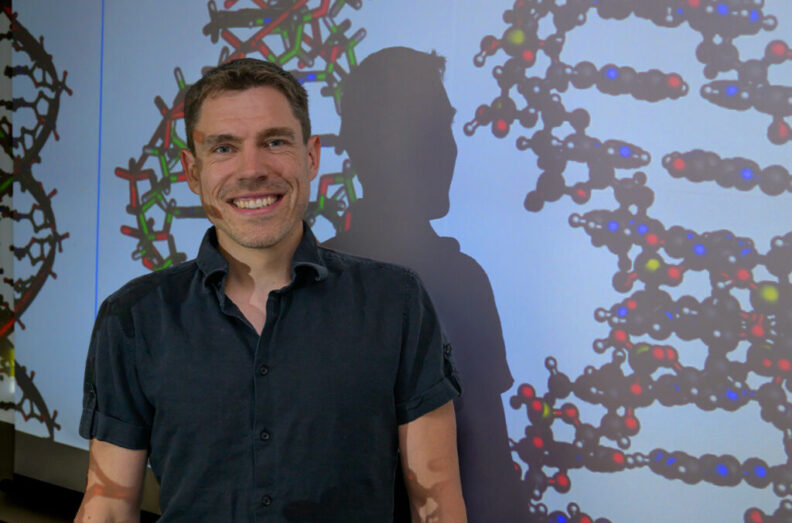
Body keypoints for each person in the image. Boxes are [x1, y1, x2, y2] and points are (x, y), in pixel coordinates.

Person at [75, 58, 466, 522]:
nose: (253, 169)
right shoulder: (134, 317)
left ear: (312, 156)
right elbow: (109, 506)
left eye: (275, 141)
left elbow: (437, 504)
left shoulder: (396, 302)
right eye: (223, 148)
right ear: (191, 170)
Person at [324, 47, 523, 521]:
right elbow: (491, 466)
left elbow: (490, 461)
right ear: (369, 145)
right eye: (427, 127)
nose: (448, 147)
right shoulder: (312, 283)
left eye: (445, 125)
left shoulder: (462, 279)